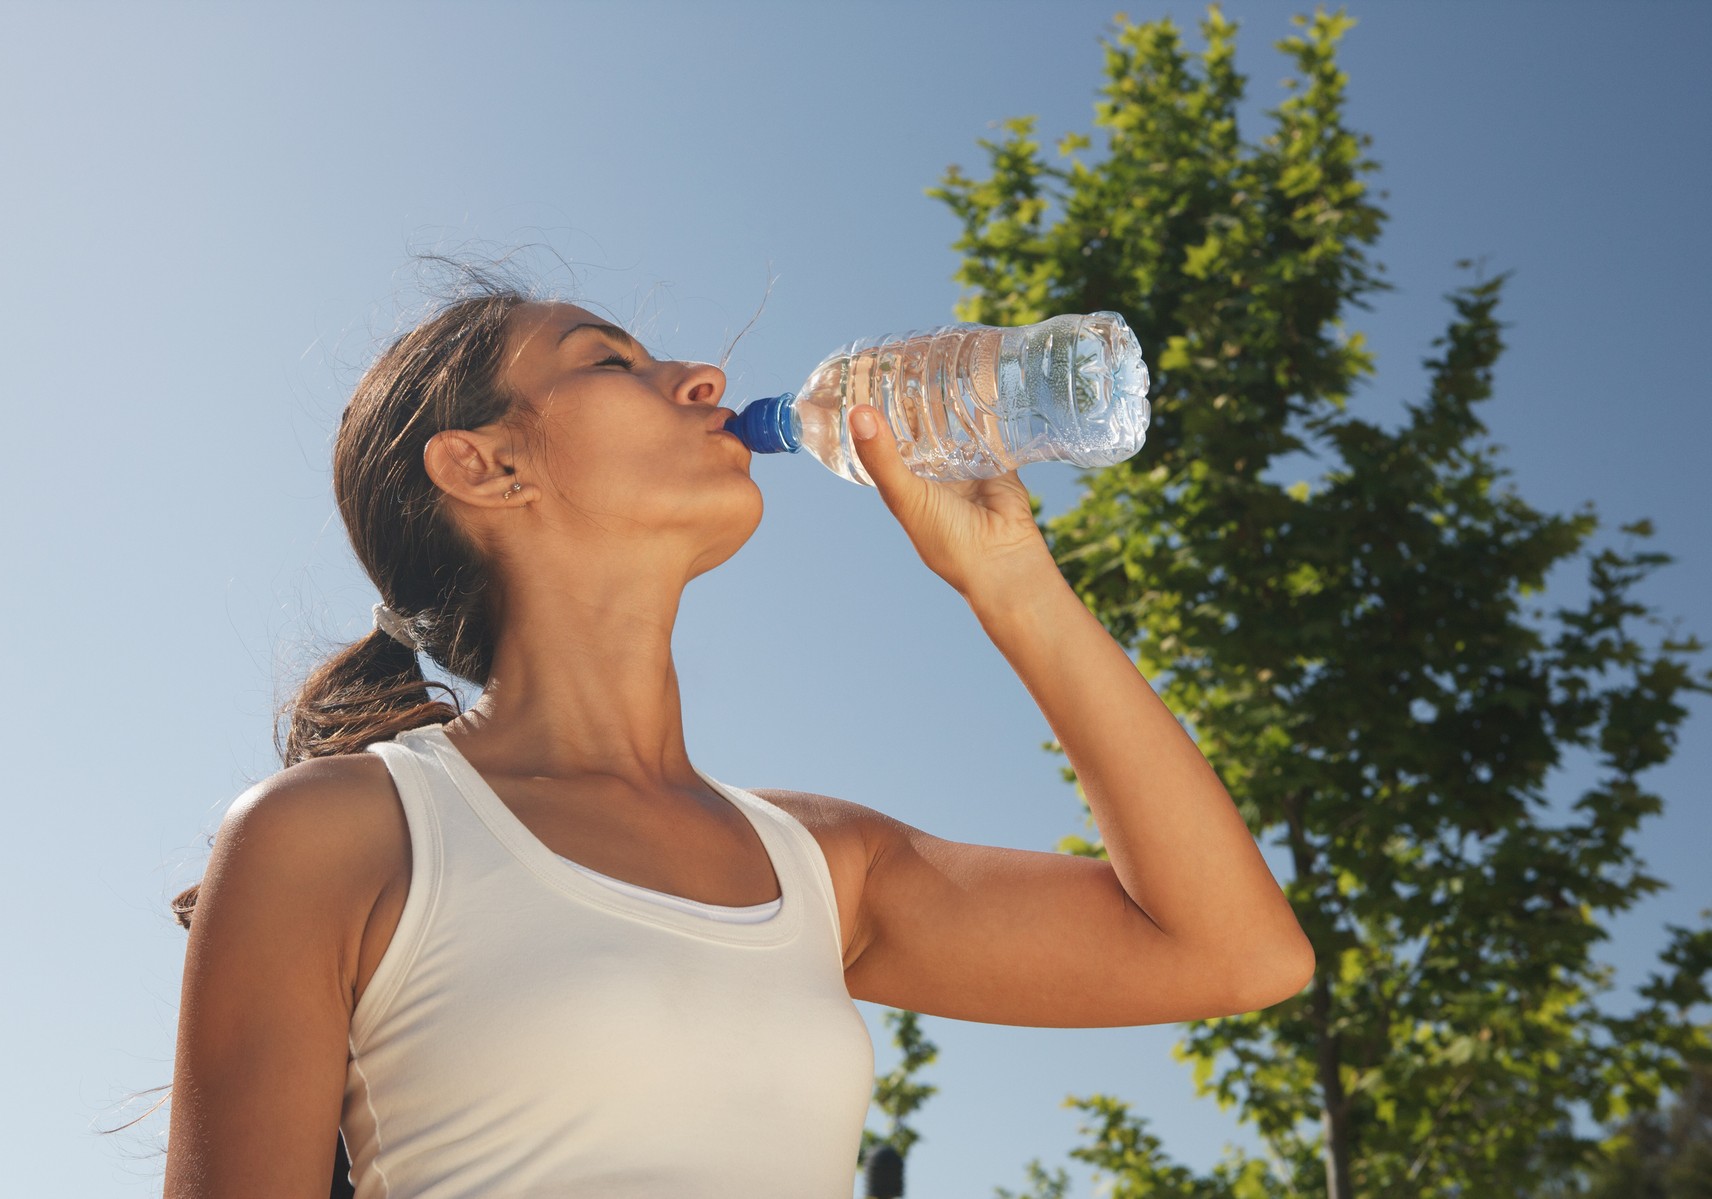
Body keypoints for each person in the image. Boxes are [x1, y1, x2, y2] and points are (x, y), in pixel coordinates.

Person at [160, 273, 1315, 1198]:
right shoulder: (341, 832)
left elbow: (1235, 950)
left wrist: (1011, 578)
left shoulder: (824, 864)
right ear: (486, 462)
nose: (705, 379)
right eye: (611, 360)